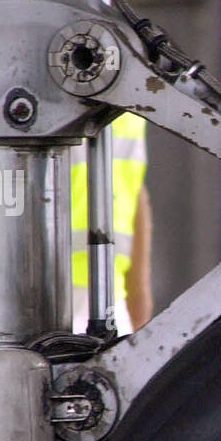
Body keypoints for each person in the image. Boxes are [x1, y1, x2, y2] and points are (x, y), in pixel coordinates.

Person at [69, 114, 153, 334]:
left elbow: (134, 191)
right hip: (45, 298)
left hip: (110, 296)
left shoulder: (132, 107)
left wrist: (138, 300)